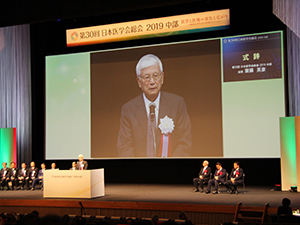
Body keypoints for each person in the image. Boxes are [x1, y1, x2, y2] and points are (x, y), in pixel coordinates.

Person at [117, 54, 192, 157]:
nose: (152, 82)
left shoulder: (177, 104)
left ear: (162, 78)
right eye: (147, 77)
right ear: (139, 82)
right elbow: (125, 147)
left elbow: (184, 143)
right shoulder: (128, 109)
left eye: (156, 76)